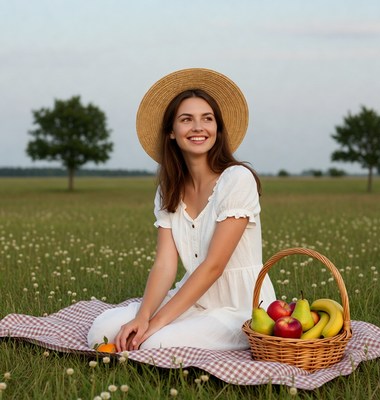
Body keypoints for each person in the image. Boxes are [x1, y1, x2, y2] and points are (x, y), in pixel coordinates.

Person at [87, 68, 276, 352]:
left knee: (156, 343)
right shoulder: (169, 189)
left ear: (218, 130)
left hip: (241, 307)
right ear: (172, 133)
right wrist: (143, 316)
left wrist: (158, 322)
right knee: (102, 331)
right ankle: (156, 325)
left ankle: (166, 333)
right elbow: (165, 264)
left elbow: (214, 266)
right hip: (192, 299)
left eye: (207, 119)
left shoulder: (237, 179)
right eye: (186, 120)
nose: (198, 127)